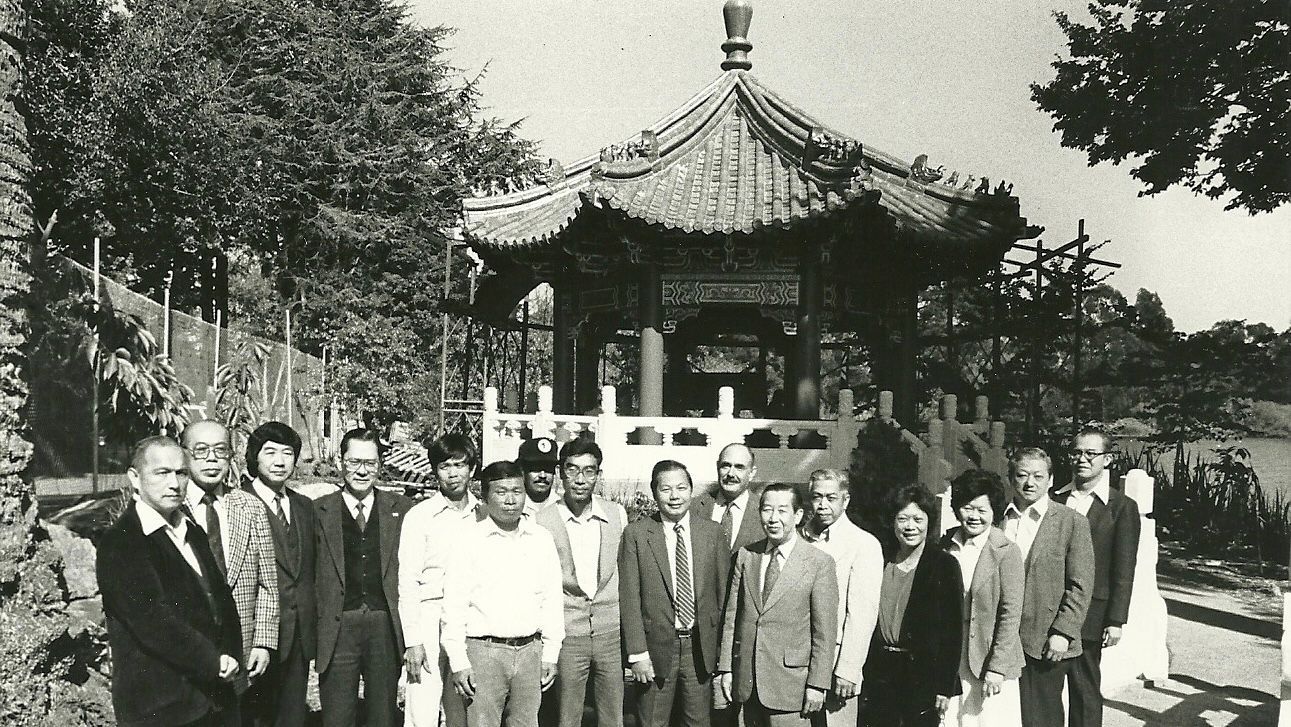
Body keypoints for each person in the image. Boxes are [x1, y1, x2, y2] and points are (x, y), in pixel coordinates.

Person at [98, 436, 243, 726]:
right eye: (162, 473)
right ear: (135, 478)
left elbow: (219, 598)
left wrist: (230, 655)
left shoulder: (190, 529)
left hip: (213, 698)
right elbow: (152, 619)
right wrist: (213, 661)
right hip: (161, 705)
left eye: (181, 473)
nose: (174, 483)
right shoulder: (122, 541)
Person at [442, 460, 565, 727]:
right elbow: (453, 605)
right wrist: (459, 661)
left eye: (517, 491)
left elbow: (552, 600)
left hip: (530, 653)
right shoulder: (468, 540)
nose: (510, 500)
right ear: (485, 497)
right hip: (483, 653)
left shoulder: (541, 538)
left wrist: (551, 654)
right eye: (501, 492)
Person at [314, 428, 415, 727]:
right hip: (338, 624)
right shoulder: (318, 510)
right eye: (354, 461)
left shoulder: (403, 509)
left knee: (382, 714)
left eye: (370, 463)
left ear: (380, 465)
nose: (361, 470)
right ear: (341, 461)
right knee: (337, 713)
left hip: (383, 623)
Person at [718, 483, 839, 727]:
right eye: (767, 510)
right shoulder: (746, 556)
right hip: (748, 683)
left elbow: (824, 633)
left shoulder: (819, 563)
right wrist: (726, 669)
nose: (773, 518)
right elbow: (732, 617)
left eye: (782, 511)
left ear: (798, 516)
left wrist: (817, 684)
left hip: (791, 687)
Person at [619, 460, 730, 727]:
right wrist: (637, 654)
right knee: (652, 721)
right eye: (665, 489)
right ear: (654, 492)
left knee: (698, 722)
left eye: (681, 487)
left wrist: (721, 653)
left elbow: (723, 594)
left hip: (699, 648)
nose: (674, 496)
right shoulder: (636, 534)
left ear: (691, 490)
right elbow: (630, 598)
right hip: (655, 648)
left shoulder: (712, 533)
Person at [181, 420, 279, 703]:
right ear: (184, 453)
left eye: (220, 450)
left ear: (231, 457)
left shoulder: (250, 507)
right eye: (201, 450)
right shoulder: (173, 508)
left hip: (242, 646)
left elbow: (267, 584)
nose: (212, 459)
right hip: (190, 648)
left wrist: (263, 641)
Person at [533, 439, 628, 727]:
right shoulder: (542, 521)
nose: (580, 480)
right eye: (572, 470)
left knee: (612, 716)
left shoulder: (616, 514)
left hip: (610, 634)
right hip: (568, 634)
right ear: (561, 473)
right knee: (567, 717)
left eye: (589, 471)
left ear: (599, 474)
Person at [1052, 428, 1141, 727]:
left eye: (1091, 454)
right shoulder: (1055, 499)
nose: (1082, 459)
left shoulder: (1122, 508)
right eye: (1077, 452)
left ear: (1108, 459)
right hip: (1049, 610)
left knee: (1084, 689)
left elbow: (1124, 568)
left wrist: (1116, 619)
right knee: (1046, 691)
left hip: (1092, 614)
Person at [1004, 447, 1094, 727]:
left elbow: (1081, 584)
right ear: (1011, 479)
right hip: (1001, 637)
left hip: (1044, 638)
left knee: (1042, 717)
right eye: (1022, 475)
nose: (1029, 483)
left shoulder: (1071, 522)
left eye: (1038, 476)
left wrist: (1063, 632)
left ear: (1051, 480)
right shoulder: (997, 518)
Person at [859, 485, 962, 727]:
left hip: (922, 677)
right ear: (892, 522)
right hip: (880, 674)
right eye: (902, 519)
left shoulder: (944, 565)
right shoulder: (880, 559)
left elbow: (952, 631)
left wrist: (944, 687)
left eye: (918, 519)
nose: (910, 526)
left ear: (929, 521)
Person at [399, 433, 483, 727]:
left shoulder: (483, 515)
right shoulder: (419, 516)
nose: (453, 473)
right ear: (435, 470)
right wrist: (413, 641)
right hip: (429, 614)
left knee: (464, 705)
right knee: (422, 707)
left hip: (470, 618)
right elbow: (407, 582)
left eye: (460, 465)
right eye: (445, 466)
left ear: (472, 468)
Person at [242, 421, 318, 727]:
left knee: (292, 716)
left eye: (287, 453)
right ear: (254, 458)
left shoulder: (304, 506)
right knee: (255, 715)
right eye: (270, 452)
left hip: (298, 632)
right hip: (256, 633)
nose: (279, 461)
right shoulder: (238, 503)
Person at [799, 469, 882, 727]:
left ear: (845, 500)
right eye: (816, 497)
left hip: (837, 664)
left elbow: (862, 615)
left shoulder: (863, 544)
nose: (822, 505)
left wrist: (848, 670)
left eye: (831, 497)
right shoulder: (799, 538)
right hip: (797, 661)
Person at [940, 470, 1024, 727]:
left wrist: (997, 667)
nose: (974, 516)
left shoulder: (1006, 551)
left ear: (994, 512)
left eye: (982, 510)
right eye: (967, 508)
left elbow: (1011, 613)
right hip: (953, 656)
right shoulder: (945, 545)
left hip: (989, 657)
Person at [692, 443, 764, 555]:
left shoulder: (764, 510)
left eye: (739, 467)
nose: (731, 474)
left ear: (752, 473)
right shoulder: (694, 507)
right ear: (717, 467)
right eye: (725, 466)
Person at [518, 436, 560, 517]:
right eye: (536, 468)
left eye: (548, 468)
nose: (543, 475)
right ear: (522, 470)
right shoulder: (512, 506)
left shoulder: (563, 506)